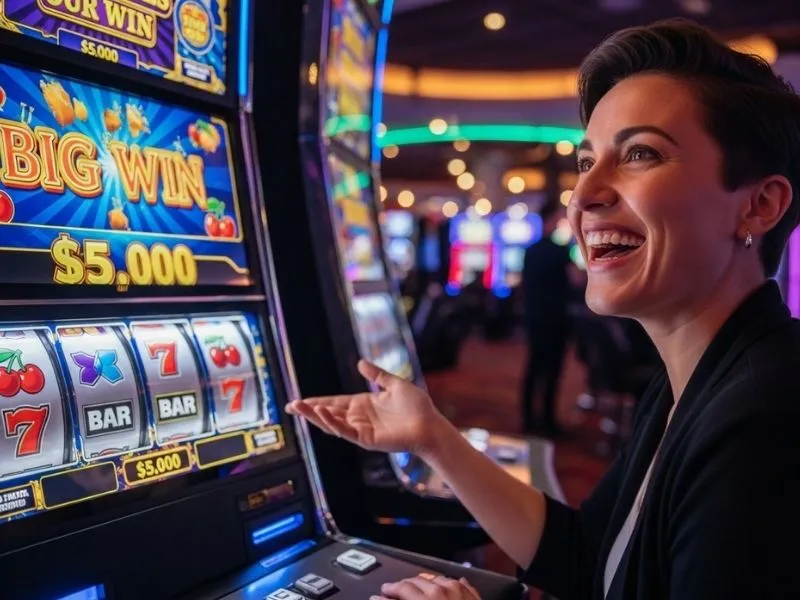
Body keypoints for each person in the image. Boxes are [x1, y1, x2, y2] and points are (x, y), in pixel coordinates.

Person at [287, 19, 800, 600]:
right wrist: (432, 438)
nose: (584, 195)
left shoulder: (768, 417)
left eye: (640, 154)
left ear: (760, 205)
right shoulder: (689, 382)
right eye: (586, 163)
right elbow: (588, 558)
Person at [520, 202, 573, 434]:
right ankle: (548, 421)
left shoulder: (530, 250)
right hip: (555, 317)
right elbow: (577, 280)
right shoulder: (560, 251)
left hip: (534, 315)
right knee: (551, 371)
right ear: (551, 219)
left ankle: (528, 418)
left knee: (533, 367)